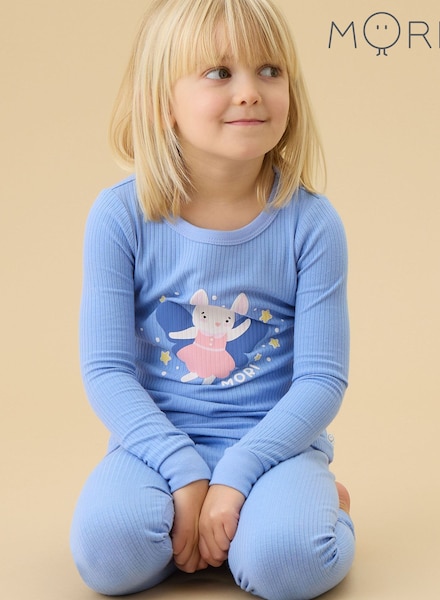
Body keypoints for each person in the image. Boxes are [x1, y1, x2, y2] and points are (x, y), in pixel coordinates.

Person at [70, 0, 355, 598]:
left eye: (270, 70)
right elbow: (107, 370)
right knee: (107, 556)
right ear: (162, 102)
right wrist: (183, 472)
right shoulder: (119, 216)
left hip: (276, 446)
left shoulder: (312, 223)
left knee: (287, 564)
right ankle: (205, 527)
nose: (250, 92)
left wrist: (236, 476)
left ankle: (320, 506)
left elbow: (321, 380)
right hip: (153, 444)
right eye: (220, 72)